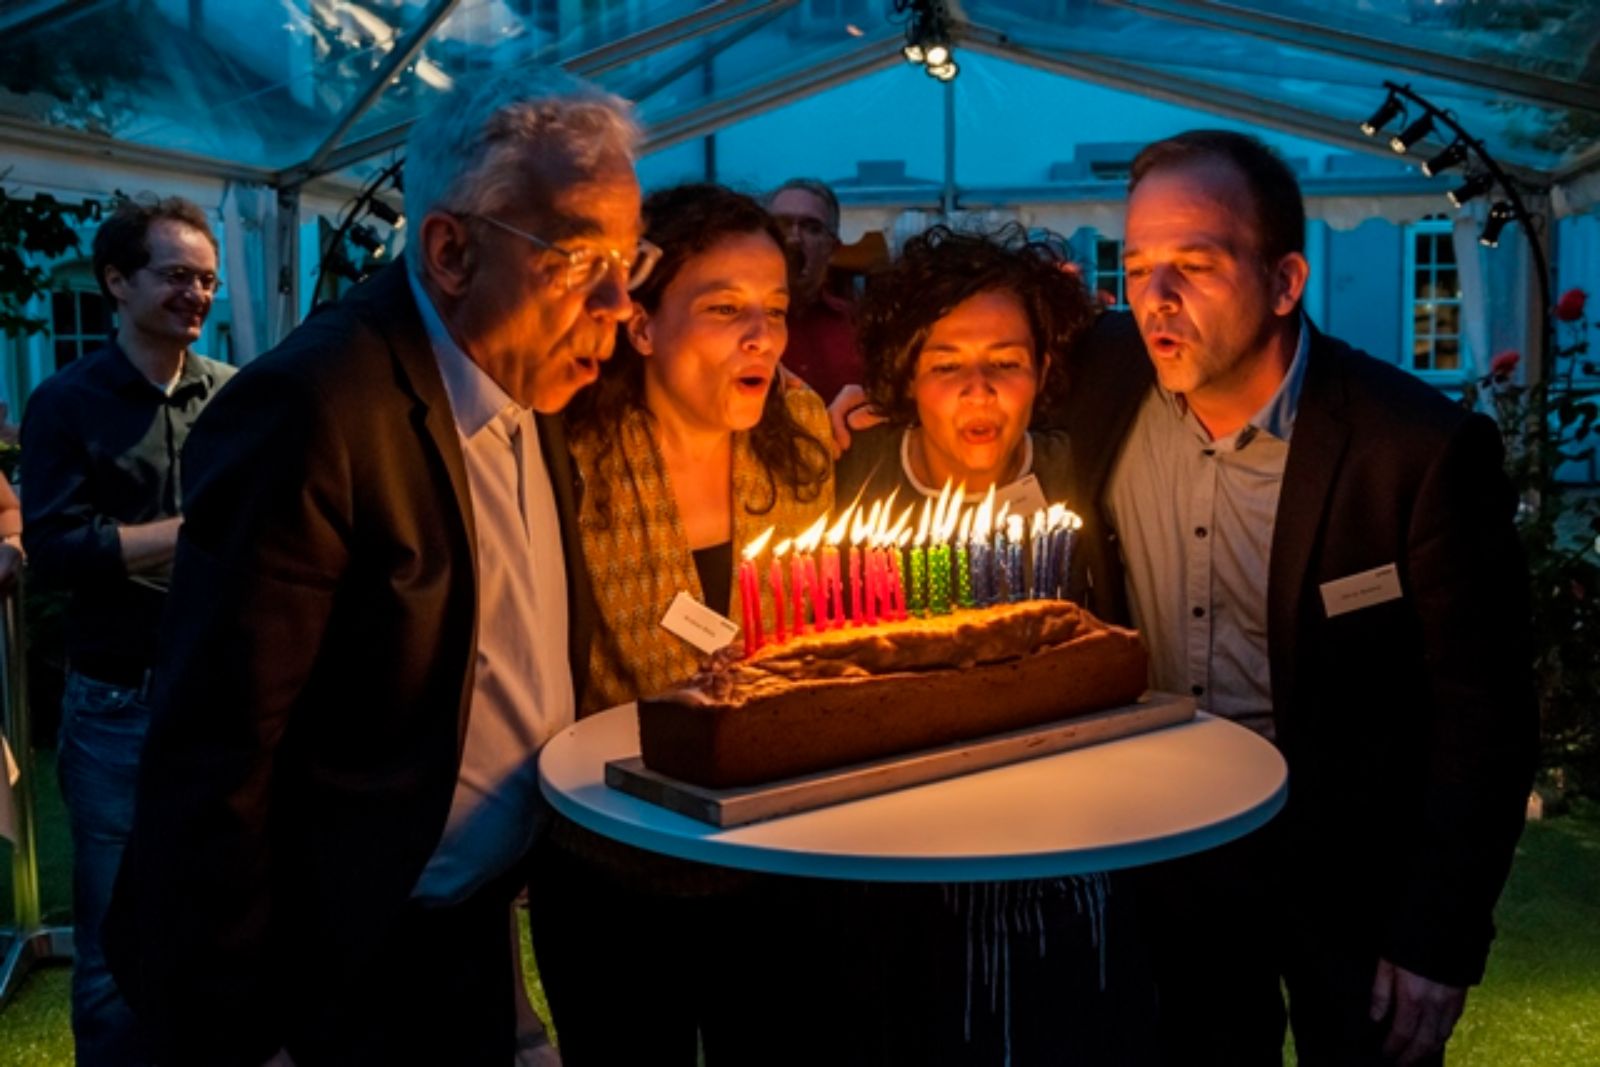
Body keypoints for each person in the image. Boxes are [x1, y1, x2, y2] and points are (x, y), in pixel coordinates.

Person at [104, 69, 648, 1066]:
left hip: (466, 929)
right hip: (329, 966)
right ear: (448, 248)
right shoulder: (313, 409)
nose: (620, 304)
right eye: (580, 259)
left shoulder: (528, 382)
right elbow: (216, 749)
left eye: (629, 257)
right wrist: (245, 1031)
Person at [1058, 129, 1539, 1065]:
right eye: (1138, 263)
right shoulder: (1102, 376)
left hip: (1353, 874)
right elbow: (966, 353)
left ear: (1285, 283)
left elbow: (1486, 713)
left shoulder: (1415, 451)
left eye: (1193, 265)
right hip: (1171, 862)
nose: (1154, 298)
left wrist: (1436, 936)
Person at [828, 224, 1156, 1066]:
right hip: (894, 881)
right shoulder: (847, 477)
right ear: (905, 374)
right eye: (946, 364)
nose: (979, 389)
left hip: (1063, 870)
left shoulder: (1083, 469)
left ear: (1044, 372)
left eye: (1006, 361)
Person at [535, 182, 833, 1065]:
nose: (762, 337)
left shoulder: (802, 428)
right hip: (612, 860)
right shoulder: (572, 452)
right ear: (642, 324)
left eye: (775, 310)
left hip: (778, 864)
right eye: (725, 308)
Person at [19, 194, 231, 1065]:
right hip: (116, 701)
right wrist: (194, 536)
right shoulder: (65, 402)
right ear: (116, 280)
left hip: (222, 693)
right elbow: (59, 549)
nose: (197, 294)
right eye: (177, 274)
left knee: (220, 910)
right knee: (109, 936)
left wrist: (139, 548)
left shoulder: (233, 392)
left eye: (208, 279)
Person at [768, 177, 863, 404]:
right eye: (782, 225)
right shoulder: (735, 325)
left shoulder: (859, 326)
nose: (793, 238)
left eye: (811, 228)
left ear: (832, 249)